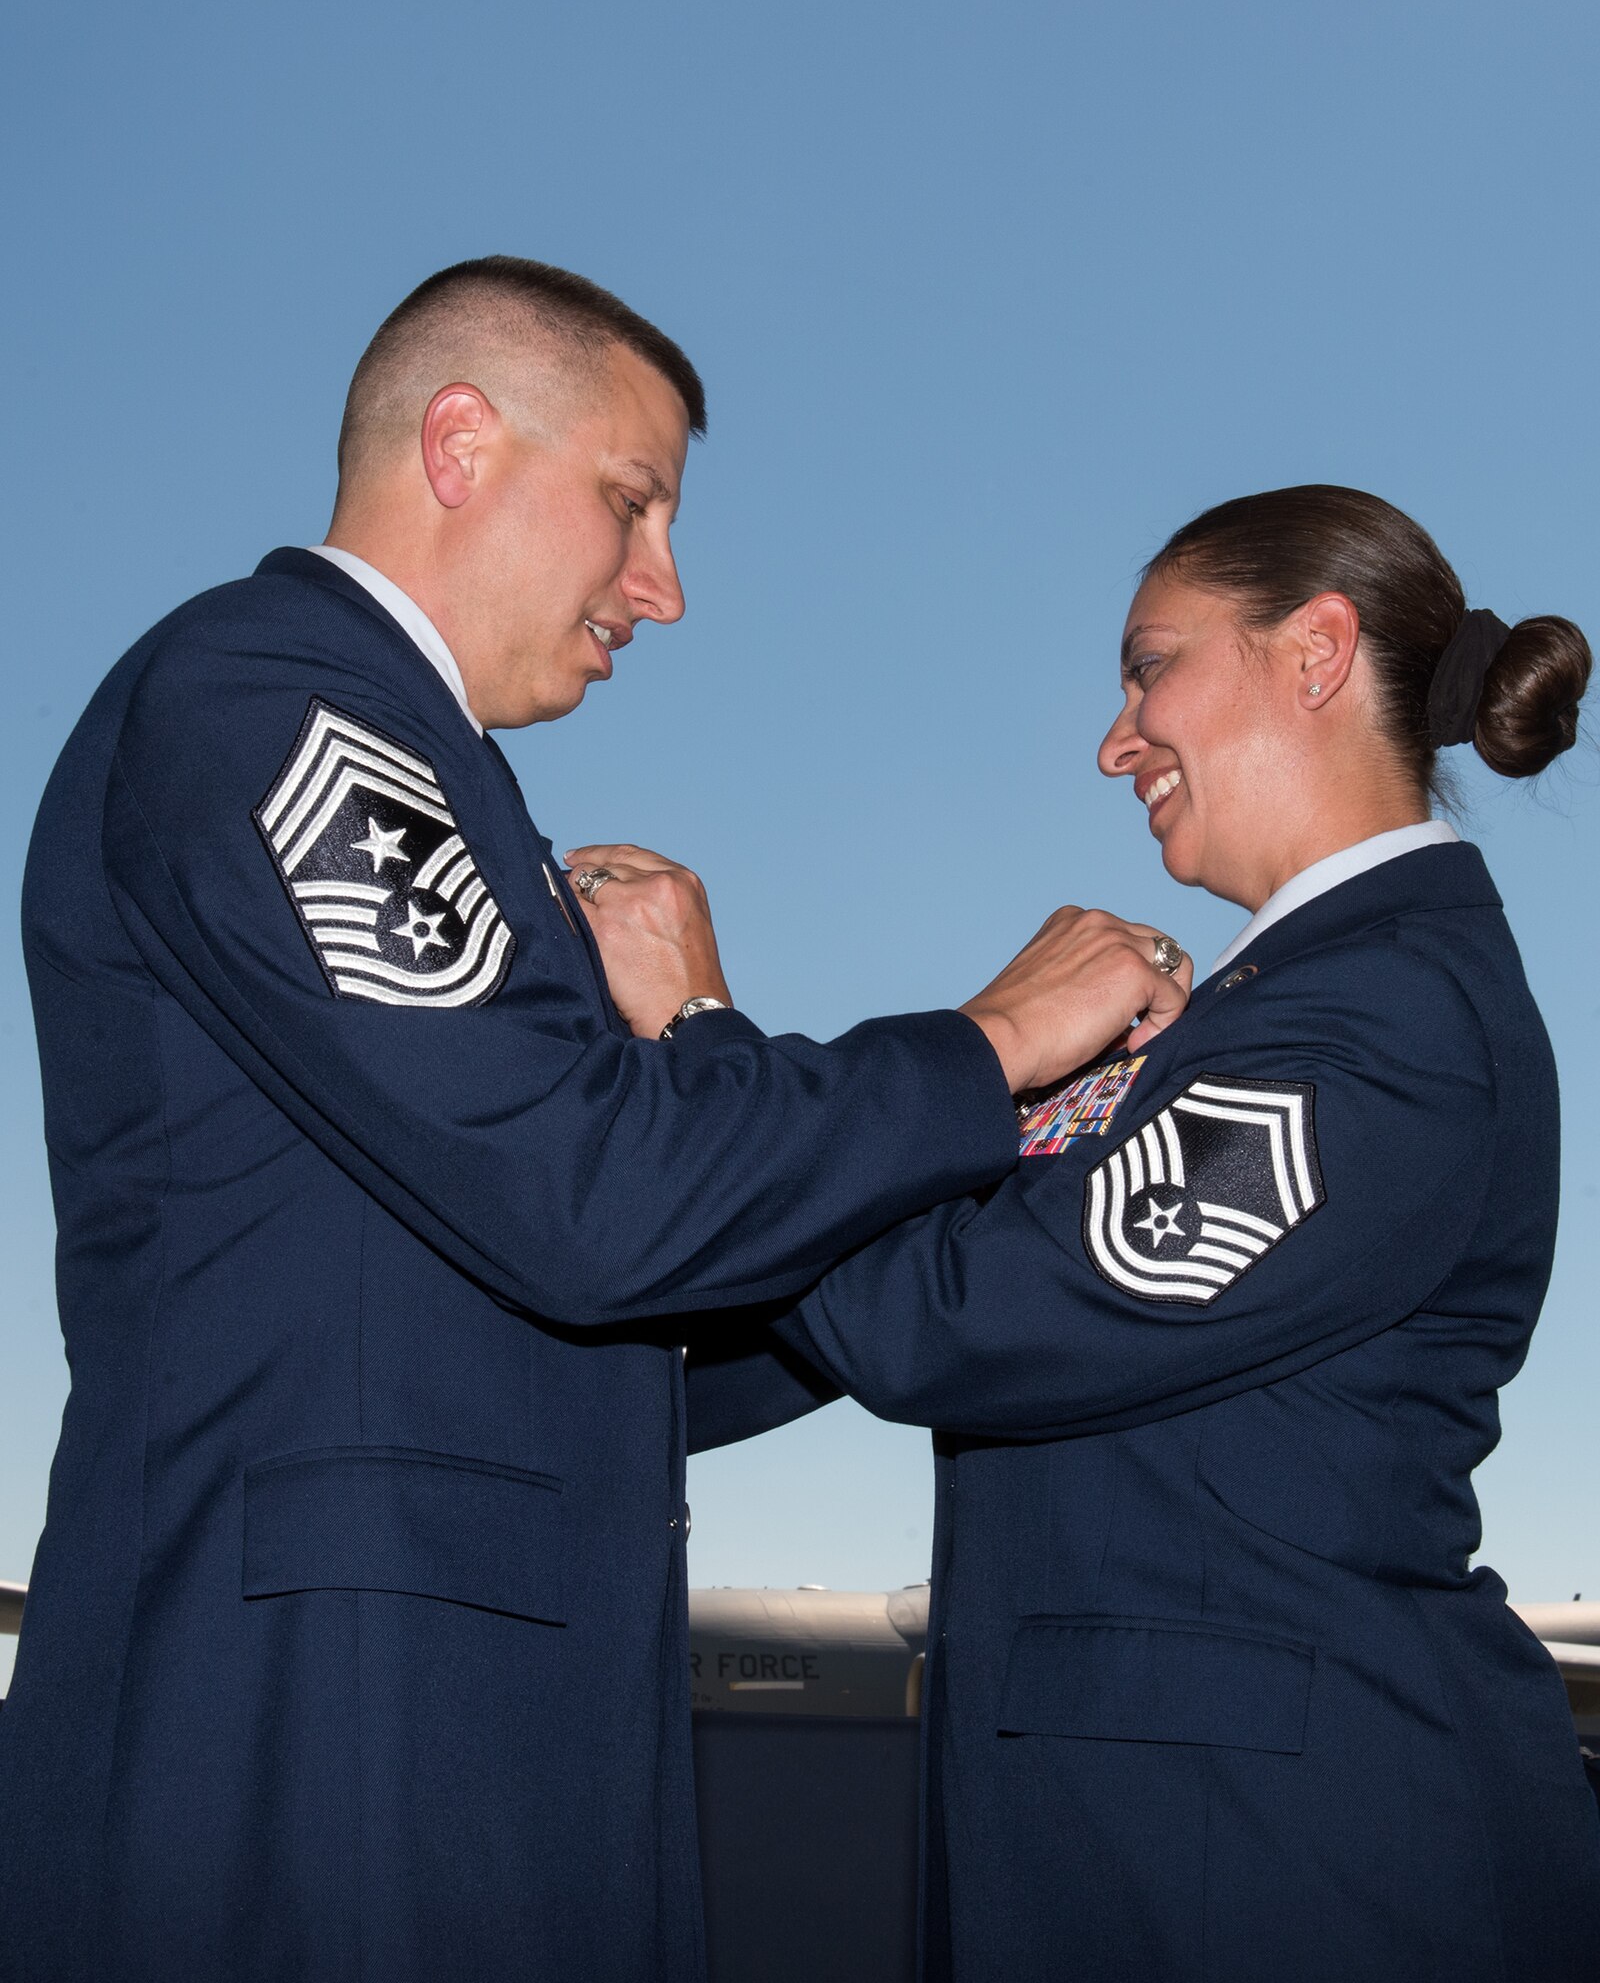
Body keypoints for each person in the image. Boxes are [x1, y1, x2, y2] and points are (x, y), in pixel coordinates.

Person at [0, 256, 1191, 1983]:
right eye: (632, 504)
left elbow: (611, 1327)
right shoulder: (279, 698)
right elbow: (590, 1198)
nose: (667, 586)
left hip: (468, 1720)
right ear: (462, 441)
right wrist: (988, 1042)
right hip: (319, 1732)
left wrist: (1006, 1149)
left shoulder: (441, 780)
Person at [678, 486, 1600, 1980]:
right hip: (1171, 1847)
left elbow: (952, 1324)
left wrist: (706, 1038)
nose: (1116, 740)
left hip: (1280, 1871)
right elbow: (880, 1299)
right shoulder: (1260, 1020)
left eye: (1149, 665)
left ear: (1313, 653)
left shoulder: (1384, 1012)